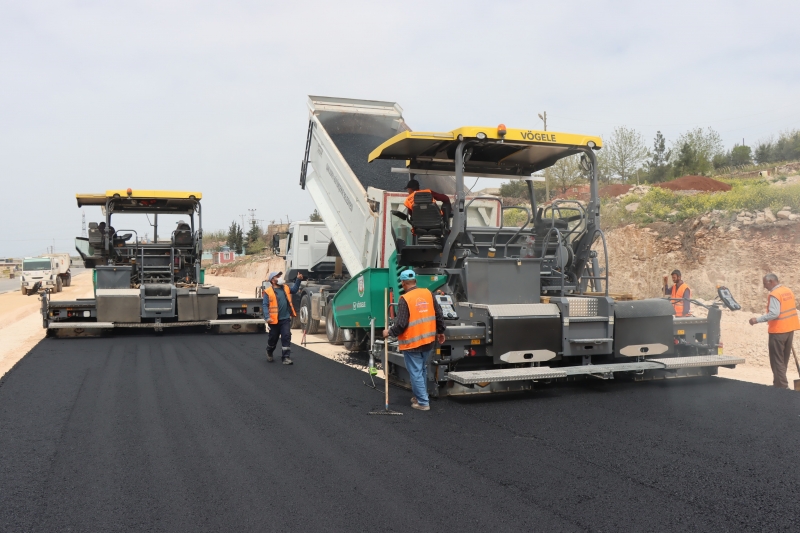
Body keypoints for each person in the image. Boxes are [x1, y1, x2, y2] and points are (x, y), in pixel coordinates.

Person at [382, 269, 446, 411]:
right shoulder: (428, 293)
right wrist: (441, 332)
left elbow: (401, 323)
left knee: (416, 372)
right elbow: (439, 314)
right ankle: (419, 396)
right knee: (421, 369)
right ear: (415, 281)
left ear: (403, 283)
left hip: (413, 343)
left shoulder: (405, 299)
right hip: (428, 341)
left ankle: (423, 402)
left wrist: (389, 332)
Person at [748, 273, 800, 388]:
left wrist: (756, 320)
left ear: (771, 281)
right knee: (783, 361)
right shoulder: (787, 291)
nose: (764, 286)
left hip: (778, 331)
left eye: (765, 283)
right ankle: (778, 384)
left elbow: (774, 313)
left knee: (777, 361)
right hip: (789, 329)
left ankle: (782, 388)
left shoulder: (775, 294)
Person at [262, 271, 303, 365]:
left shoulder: (285, 288)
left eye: (280, 276)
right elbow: (265, 305)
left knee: (286, 336)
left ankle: (286, 357)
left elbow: (294, 290)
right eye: (277, 276)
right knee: (273, 338)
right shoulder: (268, 292)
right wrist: (267, 317)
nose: (280, 277)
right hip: (274, 320)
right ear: (272, 280)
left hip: (285, 319)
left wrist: (298, 280)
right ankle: (269, 351)